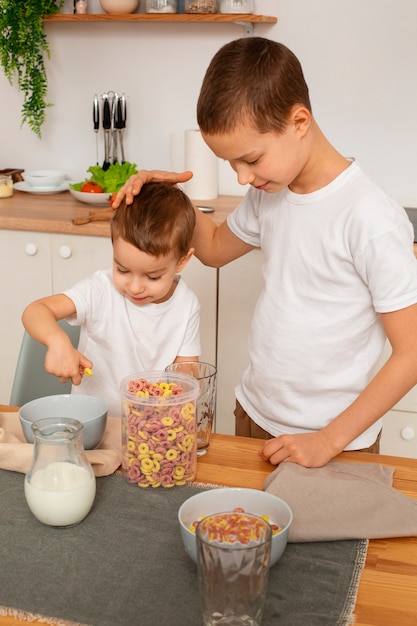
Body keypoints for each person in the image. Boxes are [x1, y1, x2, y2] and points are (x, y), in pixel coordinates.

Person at [113, 37, 417, 468]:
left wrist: (327, 441)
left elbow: (412, 352)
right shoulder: (271, 191)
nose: (241, 178)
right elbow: (215, 249)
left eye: (250, 159)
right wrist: (171, 196)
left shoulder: (369, 216)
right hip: (253, 415)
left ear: (299, 122)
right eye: (231, 164)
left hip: (337, 443)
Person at [22, 182, 200, 417]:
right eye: (122, 270)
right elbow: (36, 310)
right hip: (92, 423)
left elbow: (185, 375)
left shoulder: (186, 304)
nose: (135, 287)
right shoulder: (100, 290)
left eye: (152, 276)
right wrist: (57, 341)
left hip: (150, 427)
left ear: (181, 261)